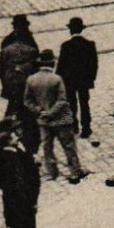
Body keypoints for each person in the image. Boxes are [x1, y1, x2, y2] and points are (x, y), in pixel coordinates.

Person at [23, 50, 84, 183]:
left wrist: (40, 111)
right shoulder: (56, 79)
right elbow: (62, 100)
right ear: (52, 63)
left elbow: (27, 101)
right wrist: (51, 112)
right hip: (61, 120)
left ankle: (52, 172)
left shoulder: (31, 79)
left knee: (47, 147)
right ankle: (75, 171)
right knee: (68, 146)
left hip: (43, 121)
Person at [0, 16, 40, 153]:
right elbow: (36, 65)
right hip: (25, 84)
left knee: (14, 107)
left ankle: (10, 132)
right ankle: (26, 134)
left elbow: (1, 67)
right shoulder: (30, 41)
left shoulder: (7, 41)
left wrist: (5, 83)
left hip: (12, 84)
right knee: (25, 110)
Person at [57, 17, 101, 136]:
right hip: (84, 81)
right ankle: (86, 128)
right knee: (84, 103)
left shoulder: (65, 46)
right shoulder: (90, 44)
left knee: (71, 104)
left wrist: (60, 81)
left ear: (70, 30)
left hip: (70, 82)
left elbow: (61, 66)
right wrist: (91, 79)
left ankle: (74, 126)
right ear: (81, 30)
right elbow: (94, 64)